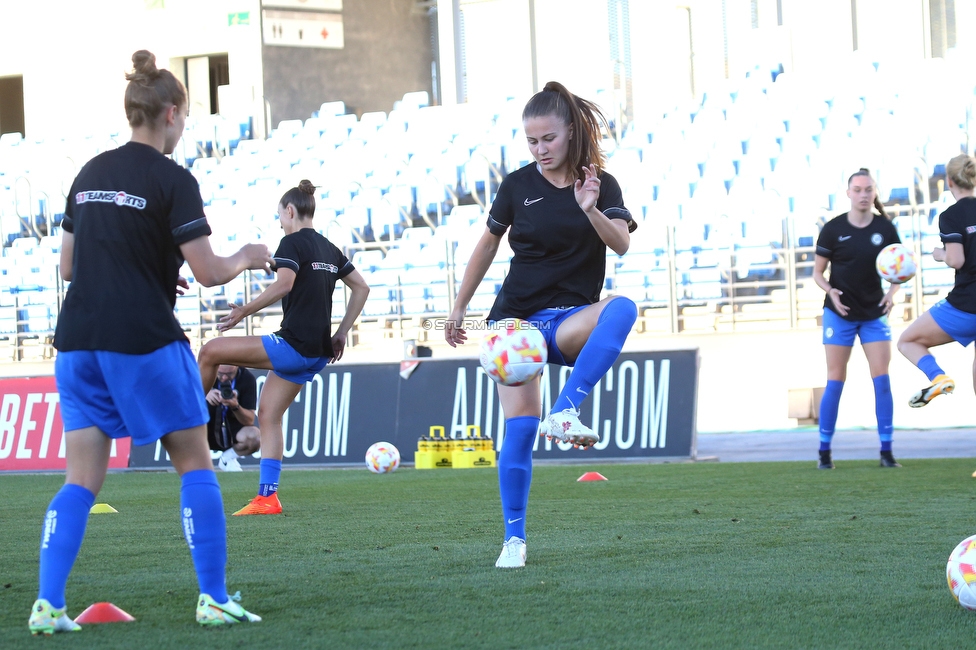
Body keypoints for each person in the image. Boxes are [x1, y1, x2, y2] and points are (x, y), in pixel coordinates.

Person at [29, 50, 269, 636]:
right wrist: (250, 255)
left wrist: (151, 266)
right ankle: (212, 597)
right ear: (170, 113)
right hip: (142, 339)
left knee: (80, 479)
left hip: (78, 342)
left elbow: (68, 267)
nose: (183, 127)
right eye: (183, 117)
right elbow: (212, 271)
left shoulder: (88, 173)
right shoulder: (173, 179)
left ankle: (47, 605)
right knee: (194, 464)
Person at [444, 81, 638, 569]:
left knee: (623, 307)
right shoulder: (516, 186)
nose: (540, 150)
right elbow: (487, 247)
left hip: (568, 318)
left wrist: (589, 207)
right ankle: (514, 541)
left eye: (548, 139)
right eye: (531, 141)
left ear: (570, 132)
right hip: (513, 323)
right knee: (520, 432)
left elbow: (621, 245)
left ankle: (566, 411)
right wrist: (459, 306)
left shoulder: (601, 183)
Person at [197, 180, 370, 516]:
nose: (279, 223)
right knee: (269, 416)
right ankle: (267, 498)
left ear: (290, 211)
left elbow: (285, 284)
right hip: (317, 352)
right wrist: (341, 333)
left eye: (279, 216)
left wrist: (242, 311)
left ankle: (187, 416)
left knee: (210, 351)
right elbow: (361, 288)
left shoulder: (291, 241)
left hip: (293, 346)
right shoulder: (329, 248)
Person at [812, 168, 902, 470]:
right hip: (839, 314)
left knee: (882, 380)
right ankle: (824, 452)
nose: (863, 194)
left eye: (869, 189)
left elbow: (900, 265)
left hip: (874, 314)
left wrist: (892, 291)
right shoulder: (833, 229)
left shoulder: (885, 228)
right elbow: (817, 273)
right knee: (835, 380)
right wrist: (831, 291)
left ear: (874, 192)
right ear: (848, 192)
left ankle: (886, 452)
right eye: (858, 189)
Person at [897, 153, 976, 410]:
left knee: (908, 340)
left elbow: (956, 260)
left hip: (967, 304)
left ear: (949, 182)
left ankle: (938, 377)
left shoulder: (951, 215)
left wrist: (940, 254)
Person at [206, 364, 261, 471]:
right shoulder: (203, 372)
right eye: (220, 373)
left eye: (229, 374)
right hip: (205, 428)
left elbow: (249, 420)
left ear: (237, 367)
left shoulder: (247, 378)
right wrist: (204, 392)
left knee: (255, 437)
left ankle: (228, 458)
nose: (224, 378)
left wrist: (235, 406)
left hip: (234, 430)